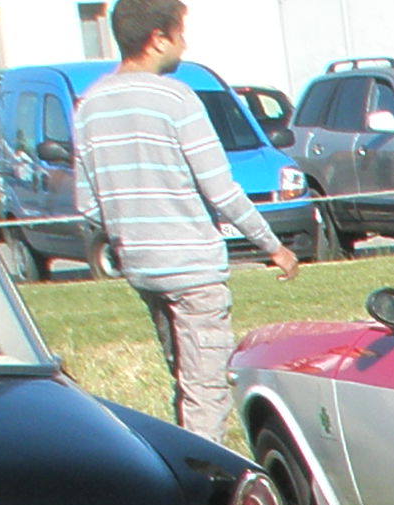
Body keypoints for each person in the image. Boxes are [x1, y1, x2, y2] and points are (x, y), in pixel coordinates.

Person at [71, 0, 298, 439]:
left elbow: (87, 204)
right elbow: (222, 190)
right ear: (158, 38)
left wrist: (130, 229)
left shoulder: (89, 105)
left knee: (182, 379)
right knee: (206, 392)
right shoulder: (177, 99)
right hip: (193, 270)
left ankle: (186, 468)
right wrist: (274, 246)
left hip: (142, 268)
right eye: (180, 32)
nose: (184, 43)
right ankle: (204, 489)